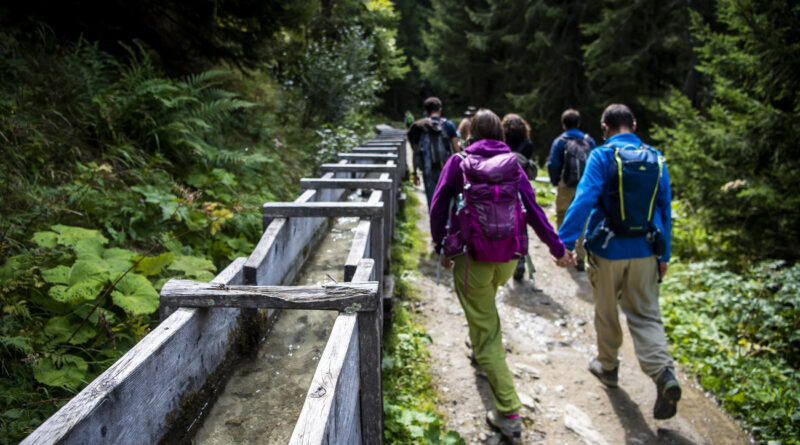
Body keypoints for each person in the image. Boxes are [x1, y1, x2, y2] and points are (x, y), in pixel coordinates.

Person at [430, 109, 575, 441]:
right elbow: (535, 212)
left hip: (472, 257)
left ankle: (508, 412)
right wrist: (558, 249)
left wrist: (442, 246)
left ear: (471, 134)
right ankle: (483, 347)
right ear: (499, 134)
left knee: (485, 328)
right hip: (507, 259)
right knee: (485, 308)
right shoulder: (513, 163)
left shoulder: (458, 162)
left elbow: (439, 206)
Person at [558, 103, 681, 420]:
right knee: (646, 314)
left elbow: (584, 198)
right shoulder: (656, 158)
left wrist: (565, 242)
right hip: (645, 250)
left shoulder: (601, 155)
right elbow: (665, 209)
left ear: (604, 127)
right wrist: (663, 255)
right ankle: (663, 374)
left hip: (607, 250)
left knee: (607, 308)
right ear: (635, 125)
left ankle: (608, 367)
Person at [546, 108, 597, 271]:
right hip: (586, 186)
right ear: (579, 123)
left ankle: (564, 251)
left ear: (563, 125)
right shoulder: (589, 141)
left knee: (562, 214)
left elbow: (553, 164)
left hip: (565, 185)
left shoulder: (560, 141)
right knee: (584, 218)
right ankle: (581, 256)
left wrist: (556, 181)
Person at [501, 113, 538, 284]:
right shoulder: (528, 145)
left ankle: (507, 257)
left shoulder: (502, 144)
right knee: (522, 223)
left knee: (506, 223)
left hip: (504, 188)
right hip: (522, 188)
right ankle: (522, 260)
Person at [408, 97, 460, 208]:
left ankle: (435, 224)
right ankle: (448, 224)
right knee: (449, 202)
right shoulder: (448, 125)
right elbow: (456, 148)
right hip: (447, 169)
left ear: (426, 111)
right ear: (440, 109)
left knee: (433, 202)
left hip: (428, 170)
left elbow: (415, 152)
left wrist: (415, 174)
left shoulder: (419, 126)